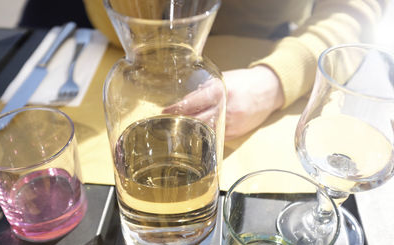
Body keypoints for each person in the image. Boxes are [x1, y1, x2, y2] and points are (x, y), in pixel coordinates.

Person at [82, 0, 389, 140]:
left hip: (273, 49)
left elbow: (356, 9)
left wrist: (274, 81)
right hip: (118, 58)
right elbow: (121, 22)